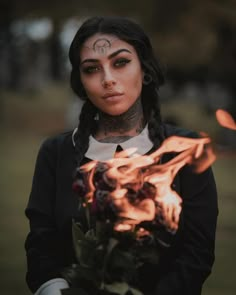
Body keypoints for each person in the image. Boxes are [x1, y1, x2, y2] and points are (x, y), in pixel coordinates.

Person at [25, 16, 218, 295]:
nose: (108, 79)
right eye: (92, 69)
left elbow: (196, 255)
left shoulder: (185, 150)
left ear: (145, 69)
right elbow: (41, 246)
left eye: (121, 62)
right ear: (80, 81)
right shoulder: (55, 154)